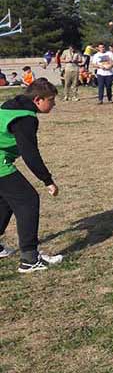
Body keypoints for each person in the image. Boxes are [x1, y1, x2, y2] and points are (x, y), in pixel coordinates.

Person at [0, 78, 63, 273]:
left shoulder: (12, 104)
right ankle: (29, 259)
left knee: (6, 200)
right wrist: (47, 180)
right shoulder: (25, 119)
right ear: (37, 100)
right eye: (51, 100)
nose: (53, 104)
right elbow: (30, 153)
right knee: (27, 200)